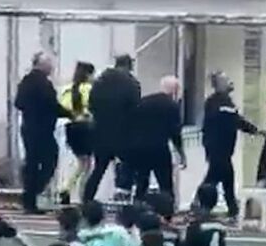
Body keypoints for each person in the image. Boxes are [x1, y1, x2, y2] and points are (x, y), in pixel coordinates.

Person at [201, 71, 263, 220]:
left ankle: (231, 208)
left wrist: (256, 131)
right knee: (216, 177)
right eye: (226, 80)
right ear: (218, 85)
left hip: (224, 149)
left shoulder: (226, 102)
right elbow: (234, 120)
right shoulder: (216, 102)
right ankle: (202, 204)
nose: (230, 82)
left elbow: (237, 120)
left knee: (224, 177)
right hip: (217, 147)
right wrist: (254, 130)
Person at [14, 52, 70, 214]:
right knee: (48, 161)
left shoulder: (26, 81)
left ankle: (29, 196)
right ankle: (31, 194)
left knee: (33, 162)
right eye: (49, 63)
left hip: (30, 128)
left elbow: (19, 103)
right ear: (40, 64)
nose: (52, 66)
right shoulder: (42, 83)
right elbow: (52, 105)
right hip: (41, 129)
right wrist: (70, 113)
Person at [84, 54, 141, 203]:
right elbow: (135, 109)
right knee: (129, 165)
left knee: (98, 169)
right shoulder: (131, 83)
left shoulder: (100, 82)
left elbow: (91, 105)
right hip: (124, 132)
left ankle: (87, 199)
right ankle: (124, 197)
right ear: (129, 65)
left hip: (100, 132)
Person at [131, 76, 186, 203]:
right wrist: (181, 153)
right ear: (175, 91)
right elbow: (175, 133)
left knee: (141, 182)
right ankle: (168, 209)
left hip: (141, 148)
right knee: (165, 184)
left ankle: (137, 207)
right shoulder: (172, 106)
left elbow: (133, 125)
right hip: (160, 148)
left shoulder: (143, 102)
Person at [58, 61, 96, 205]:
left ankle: (66, 188)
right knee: (87, 165)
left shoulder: (67, 89)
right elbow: (93, 106)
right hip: (86, 127)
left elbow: (63, 107)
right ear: (88, 74)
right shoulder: (88, 89)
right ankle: (83, 195)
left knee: (80, 163)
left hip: (71, 127)